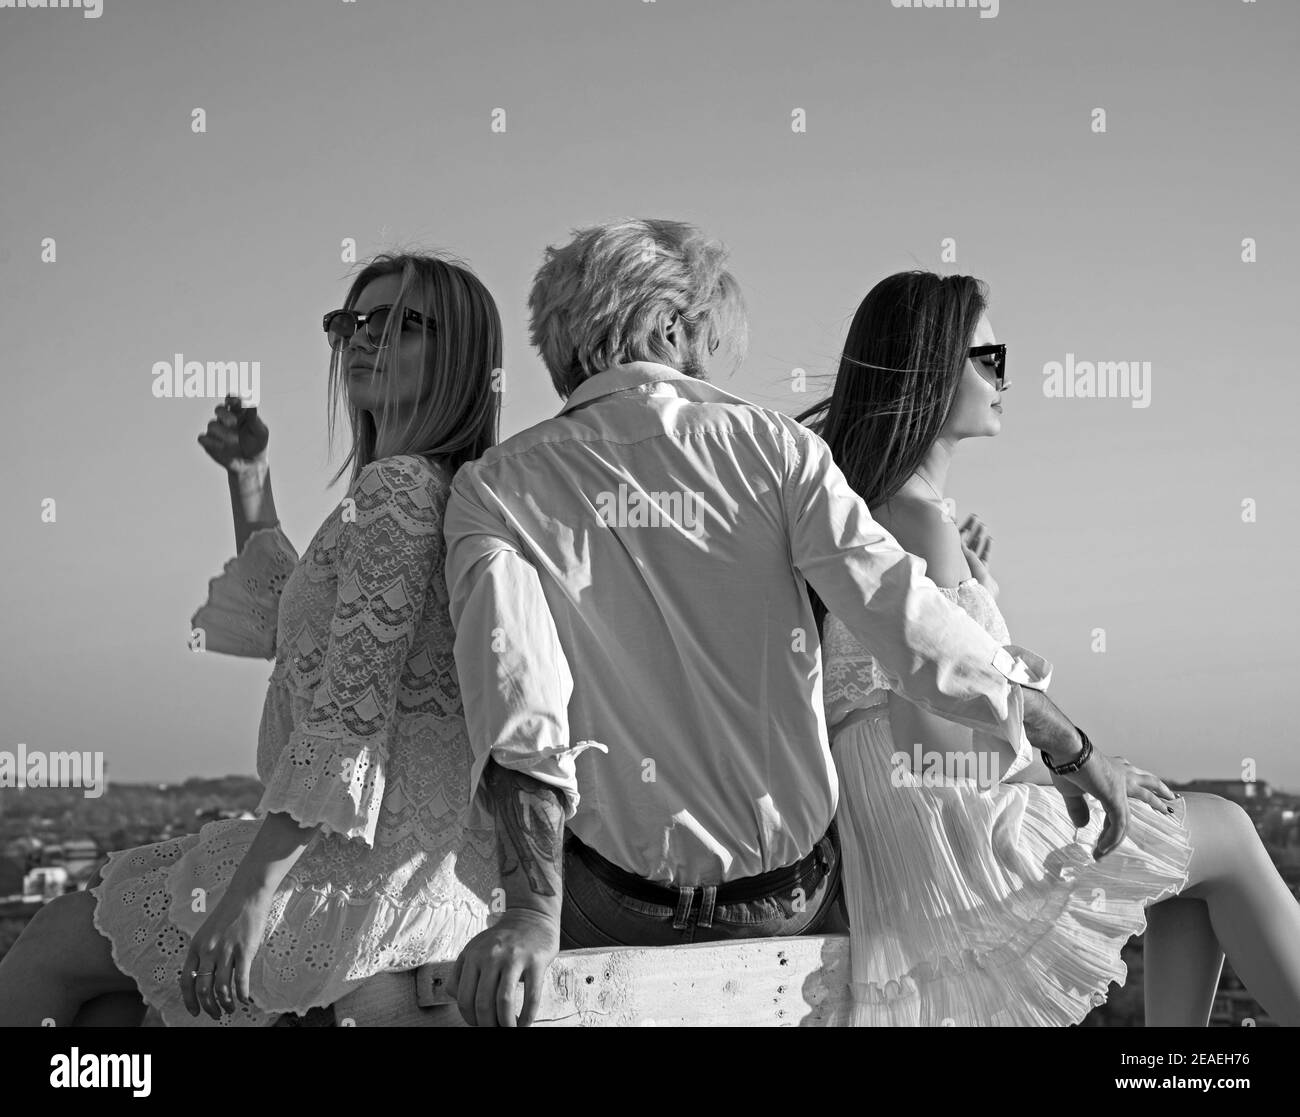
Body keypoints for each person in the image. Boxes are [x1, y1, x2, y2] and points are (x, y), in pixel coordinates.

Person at [443, 219, 1129, 1028]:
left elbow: (520, 702)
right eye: (705, 337)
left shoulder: (494, 488)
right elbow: (906, 623)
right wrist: (1061, 736)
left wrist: (529, 912)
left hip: (610, 904)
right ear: (667, 327)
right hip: (784, 899)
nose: (708, 361)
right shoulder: (775, 449)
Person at [0, 253, 503, 1026]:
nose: (365, 339)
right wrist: (250, 474)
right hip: (409, 877)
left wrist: (250, 899)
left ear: (462, 353)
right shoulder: (426, 493)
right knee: (106, 1013)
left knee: (47, 947)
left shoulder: (397, 492)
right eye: (353, 322)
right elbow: (299, 627)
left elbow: (345, 730)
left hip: (356, 886)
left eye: (403, 322)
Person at [802, 270, 1300, 1026]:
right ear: (934, 371)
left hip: (909, 837)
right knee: (1224, 828)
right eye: (987, 358)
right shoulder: (914, 520)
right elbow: (931, 743)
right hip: (954, 840)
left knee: (1180, 864)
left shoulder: (881, 514)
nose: (1005, 376)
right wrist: (1077, 764)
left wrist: (974, 585)